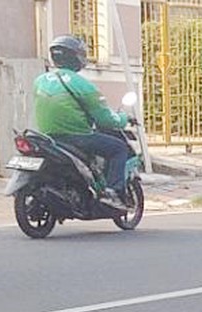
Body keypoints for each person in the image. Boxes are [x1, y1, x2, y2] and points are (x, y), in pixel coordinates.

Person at [34, 35, 133, 206]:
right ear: (76, 57)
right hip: (77, 137)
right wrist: (123, 119)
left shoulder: (40, 81)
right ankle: (113, 192)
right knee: (119, 148)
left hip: (48, 138)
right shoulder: (81, 84)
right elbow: (105, 119)